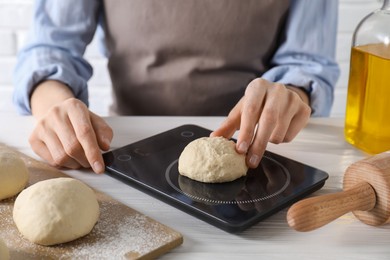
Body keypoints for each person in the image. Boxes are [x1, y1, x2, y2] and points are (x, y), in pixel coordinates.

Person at [13, 0, 339, 174]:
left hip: (252, 146)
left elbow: (308, 63)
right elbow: (51, 47)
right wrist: (52, 102)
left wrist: (292, 93)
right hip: (126, 145)